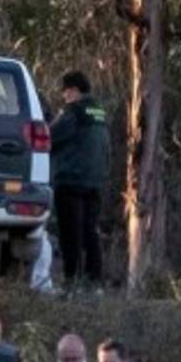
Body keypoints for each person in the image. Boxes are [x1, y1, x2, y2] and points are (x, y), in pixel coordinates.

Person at [50, 70, 110, 288]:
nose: (64, 96)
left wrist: (54, 118)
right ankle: (95, 282)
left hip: (71, 180)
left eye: (65, 92)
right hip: (95, 181)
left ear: (74, 90)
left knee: (70, 234)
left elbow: (50, 136)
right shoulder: (99, 112)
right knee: (90, 233)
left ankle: (71, 281)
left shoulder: (73, 112)